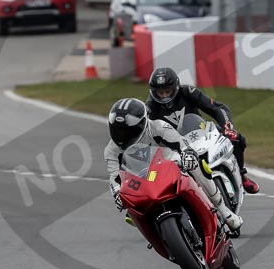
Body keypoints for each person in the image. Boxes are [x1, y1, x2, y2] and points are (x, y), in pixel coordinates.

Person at [104, 97, 243, 232]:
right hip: (141, 178)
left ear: (143, 123)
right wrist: (117, 192)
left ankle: (224, 211)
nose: (123, 135)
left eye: (128, 130)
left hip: (168, 163)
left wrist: (187, 154)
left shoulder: (158, 127)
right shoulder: (111, 150)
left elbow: (181, 144)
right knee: (129, 210)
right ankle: (155, 232)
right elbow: (114, 176)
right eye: (118, 130)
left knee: (195, 164)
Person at [146, 67, 260, 194]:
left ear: (175, 87)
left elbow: (217, 108)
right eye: (160, 93)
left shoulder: (187, 92)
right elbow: (150, 135)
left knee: (236, 138)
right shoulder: (150, 108)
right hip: (178, 146)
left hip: (201, 132)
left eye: (167, 91)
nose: (164, 96)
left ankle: (241, 174)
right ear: (153, 92)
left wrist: (227, 127)